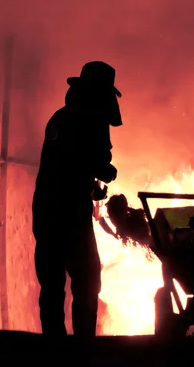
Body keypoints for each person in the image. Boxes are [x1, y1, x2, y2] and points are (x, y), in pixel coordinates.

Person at [32, 61, 123, 337]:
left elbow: (68, 165)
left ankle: (54, 348)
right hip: (68, 214)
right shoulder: (85, 119)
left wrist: (91, 189)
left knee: (52, 282)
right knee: (87, 281)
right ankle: (83, 350)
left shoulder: (61, 117)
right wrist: (106, 171)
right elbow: (87, 160)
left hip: (48, 210)